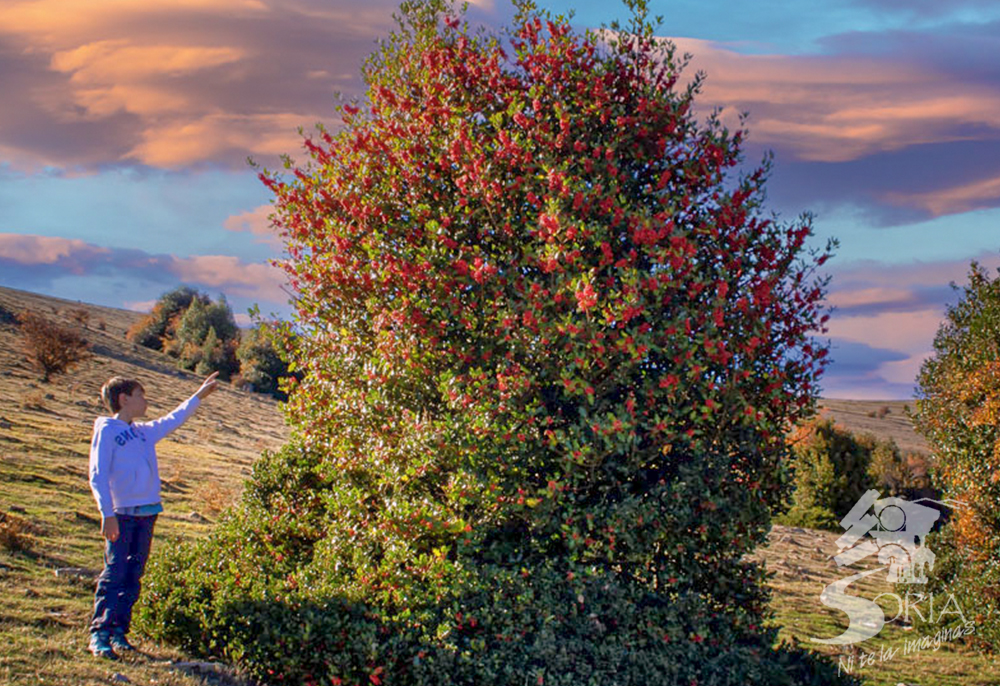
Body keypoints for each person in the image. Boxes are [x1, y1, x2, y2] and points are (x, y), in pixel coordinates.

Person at [87, 372, 219, 659]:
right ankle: (100, 633)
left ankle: (120, 632)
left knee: (134, 573)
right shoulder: (107, 430)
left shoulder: (142, 431)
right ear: (124, 399)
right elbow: (97, 474)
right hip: (121, 515)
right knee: (115, 572)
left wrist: (198, 396)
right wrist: (106, 513)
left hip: (147, 513)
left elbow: (172, 419)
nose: (146, 401)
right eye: (140, 395)